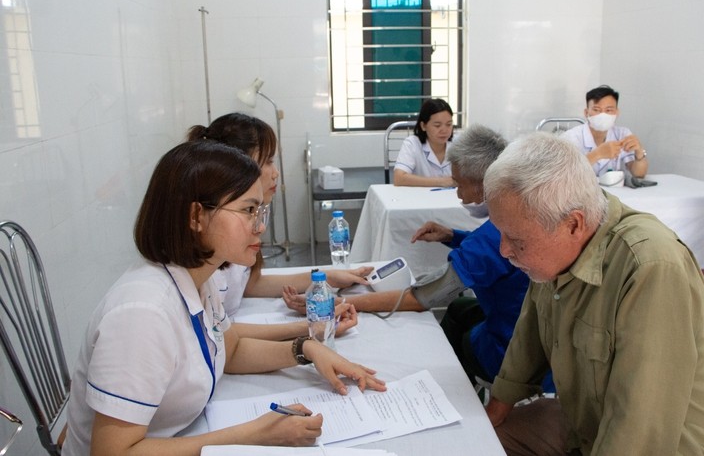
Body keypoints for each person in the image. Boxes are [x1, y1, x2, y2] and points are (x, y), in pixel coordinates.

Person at [62, 141, 385, 456]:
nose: (260, 226)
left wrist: (306, 349)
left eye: (260, 211)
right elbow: (112, 452)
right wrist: (255, 436)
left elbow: (232, 351)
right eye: (248, 210)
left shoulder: (199, 278)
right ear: (196, 216)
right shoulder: (143, 313)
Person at [483, 132, 704, 455]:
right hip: (586, 427)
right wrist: (497, 409)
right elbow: (529, 333)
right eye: (501, 234)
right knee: (478, 439)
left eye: (517, 240)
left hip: (666, 447)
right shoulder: (553, 252)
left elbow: (639, 426)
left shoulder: (651, 266)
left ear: (574, 225)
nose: (504, 250)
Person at [285, 125, 536, 389]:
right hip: (525, 321)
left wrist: (342, 303)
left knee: (464, 342)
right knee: (459, 309)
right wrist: (452, 235)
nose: (458, 194)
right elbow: (490, 251)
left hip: (513, 343)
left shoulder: (490, 238)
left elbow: (421, 298)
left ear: (485, 183)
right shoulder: (519, 214)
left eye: (459, 184)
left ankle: (466, 392)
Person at [187, 113, 372, 339]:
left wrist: (327, 278)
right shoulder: (208, 255)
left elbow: (250, 284)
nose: (275, 173)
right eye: (267, 161)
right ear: (236, 165)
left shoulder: (233, 233)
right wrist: (311, 330)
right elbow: (219, 336)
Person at [561, 84, 648, 178]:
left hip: (613, 187)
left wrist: (639, 152)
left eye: (609, 110)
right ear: (586, 113)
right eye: (597, 110)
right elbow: (563, 175)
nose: (603, 115)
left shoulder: (623, 134)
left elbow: (639, 174)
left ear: (617, 112)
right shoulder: (570, 137)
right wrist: (597, 154)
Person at [393, 98, 455, 187]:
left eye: (449, 124)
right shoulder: (412, 144)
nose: (444, 130)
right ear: (423, 126)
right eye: (437, 125)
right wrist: (441, 182)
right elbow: (399, 178)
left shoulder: (459, 144)